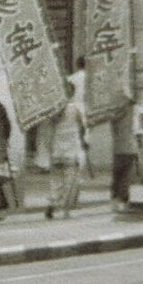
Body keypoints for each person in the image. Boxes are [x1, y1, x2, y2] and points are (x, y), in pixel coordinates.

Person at [44, 80, 87, 219]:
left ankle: (52, 202)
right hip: (71, 148)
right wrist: (83, 142)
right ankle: (66, 210)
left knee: (55, 179)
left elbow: (49, 128)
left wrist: (49, 146)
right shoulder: (76, 108)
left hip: (57, 147)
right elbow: (82, 128)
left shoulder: (55, 109)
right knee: (70, 179)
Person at [110, 99, 138, 210]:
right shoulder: (135, 112)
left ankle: (116, 199)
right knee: (127, 176)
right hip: (131, 148)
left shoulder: (116, 113)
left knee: (117, 174)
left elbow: (114, 129)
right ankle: (124, 199)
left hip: (118, 148)